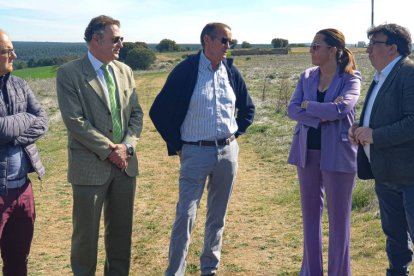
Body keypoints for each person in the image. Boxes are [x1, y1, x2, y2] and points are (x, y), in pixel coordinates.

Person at [150, 22, 255, 276]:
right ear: (207, 40)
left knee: (217, 217)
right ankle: (175, 271)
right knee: (185, 216)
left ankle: (210, 268)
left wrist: (234, 134)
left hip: (227, 154)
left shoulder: (230, 70)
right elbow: (158, 111)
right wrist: (178, 146)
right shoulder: (186, 70)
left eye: (230, 42)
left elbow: (248, 108)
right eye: (224, 41)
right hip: (195, 153)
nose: (228, 46)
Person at [56, 15, 143, 275]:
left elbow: (136, 114)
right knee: (85, 239)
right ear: (96, 39)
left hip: (125, 166)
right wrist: (109, 150)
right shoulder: (69, 73)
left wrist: (126, 147)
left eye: (121, 39)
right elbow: (75, 121)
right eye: (116, 39)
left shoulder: (125, 71)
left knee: (121, 235)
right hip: (89, 169)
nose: (121, 44)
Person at [287, 28, 361, 275]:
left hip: (338, 154)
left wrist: (310, 106)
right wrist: (319, 116)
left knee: (339, 220)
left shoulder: (351, 79)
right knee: (310, 216)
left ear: (333, 50)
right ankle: (311, 271)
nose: (311, 50)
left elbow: (340, 110)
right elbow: (292, 110)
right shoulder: (306, 76)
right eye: (311, 45)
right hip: (306, 152)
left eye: (316, 46)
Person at [349, 23, 414, 275]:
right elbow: (381, 115)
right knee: (394, 236)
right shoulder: (382, 76)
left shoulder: (408, 73)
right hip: (386, 173)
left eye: (373, 44)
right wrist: (359, 128)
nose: (368, 50)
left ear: (392, 48)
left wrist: (375, 135)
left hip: (408, 175)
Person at [0, 30, 48, 276]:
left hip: (23, 188)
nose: (14, 55)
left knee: (18, 260)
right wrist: (24, 119)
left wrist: (14, 137)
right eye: (8, 51)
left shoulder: (20, 84)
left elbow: (43, 120)